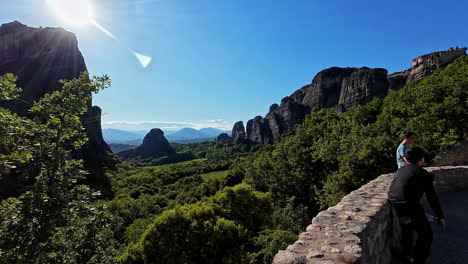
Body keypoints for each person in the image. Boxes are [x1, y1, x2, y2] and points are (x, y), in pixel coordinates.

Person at [388, 147, 446, 264]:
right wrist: (440, 216)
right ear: (421, 159)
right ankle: (419, 260)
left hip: (395, 201)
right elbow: (432, 198)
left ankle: (407, 255)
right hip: (410, 204)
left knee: (407, 228)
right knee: (426, 234)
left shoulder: (400, 170)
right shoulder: (423, 173)